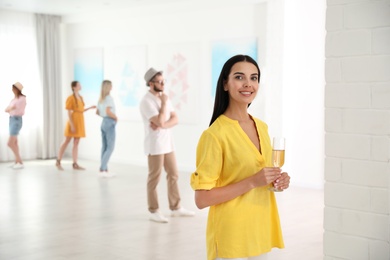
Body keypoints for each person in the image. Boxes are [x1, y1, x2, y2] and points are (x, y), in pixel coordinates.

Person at [190, 55, 291, 260]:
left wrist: (278, 181)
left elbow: (263, 177)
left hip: (261, 230)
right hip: (232, 237)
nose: (248, 84)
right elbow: (202, 199)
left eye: (254, 78)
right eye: (239, 77)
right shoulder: (214, 135)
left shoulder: (261, 127)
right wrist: (252, 181)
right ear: (225, 84)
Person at [140, 67, 195, 223]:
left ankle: (176, 207)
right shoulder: (146, 101)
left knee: (174, 174)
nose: (163, 84)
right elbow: (161, 120)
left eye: (164, 81)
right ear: (150, 83)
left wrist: (163, 124)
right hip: (155, 145)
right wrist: (163, 108)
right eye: (160, 81)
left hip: (168, 143)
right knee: (154, 178)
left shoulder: (164, 97)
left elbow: (175, 119)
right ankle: (153, 210)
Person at [55, 81, 96, 171]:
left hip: (80, 121)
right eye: (78, 85)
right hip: (73, 121)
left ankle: (75, 163)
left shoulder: (81, 97)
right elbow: (69, 112)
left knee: (76, 142)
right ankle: (58, 160)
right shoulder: (70, 98)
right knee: (66, 141)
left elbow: (81, 110)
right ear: (74, 87)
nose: (80, 86)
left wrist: (90, 108)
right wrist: (72, 125)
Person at [96, 80, 117, 178]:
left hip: (104, 122)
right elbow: (108, 111)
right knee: (110, 147)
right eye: (111, 86)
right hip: (109, 122)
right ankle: (102, 168)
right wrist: (115, 117)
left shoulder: (101, 99)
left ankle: (104, 169)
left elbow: (97, 112)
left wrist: (105, 115)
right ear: (108, 87)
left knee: (104, 147)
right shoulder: (109, 98)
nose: (112, 87)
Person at [5, 82, 27, 169]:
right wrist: (9, 108)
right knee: (15, 143)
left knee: (10, 143)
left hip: (17, 120)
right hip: (11, 119)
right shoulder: (14, 99)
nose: (12, 90)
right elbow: (7, 109)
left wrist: (10, 108)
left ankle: (20, 161)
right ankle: (17, 161)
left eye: (13, 88)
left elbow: (13, 108)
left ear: (17, 89)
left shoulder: (22, 98)